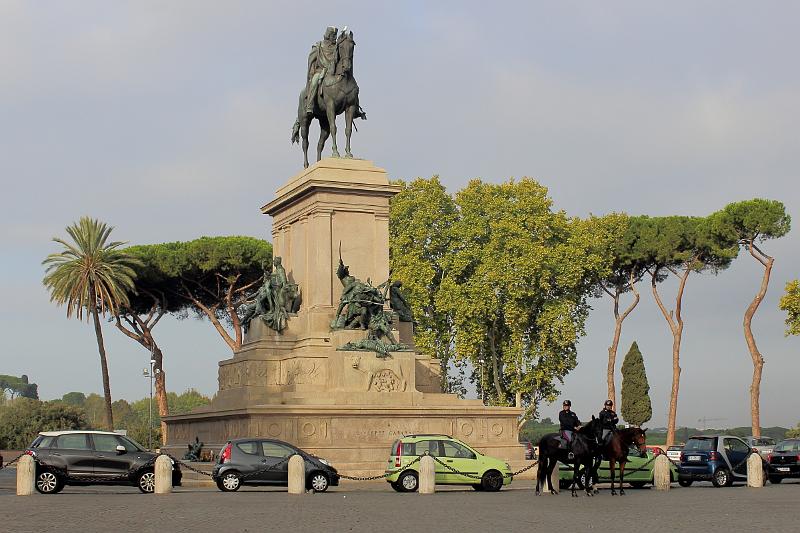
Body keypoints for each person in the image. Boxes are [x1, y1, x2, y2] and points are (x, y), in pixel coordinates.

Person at [305, 27, 339, 114]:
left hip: (334, 72)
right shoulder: (319, 46)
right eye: (333, 35)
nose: (335, 37)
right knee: (314, 81)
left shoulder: (337, 48)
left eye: (335, 35)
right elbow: (310, 60)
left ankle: (355, 107)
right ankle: (309, 105)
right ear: (328, 35)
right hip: (320, 72)